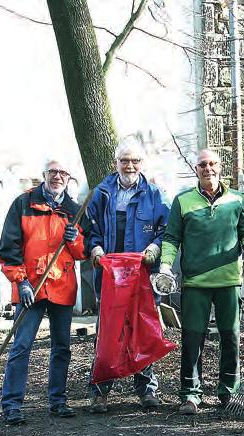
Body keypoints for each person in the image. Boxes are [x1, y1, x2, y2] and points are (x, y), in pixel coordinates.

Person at [157, 149, 244, 414]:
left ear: (220, 166)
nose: (208, 168)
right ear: (196, 169)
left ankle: (229, 391)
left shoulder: (237, 200)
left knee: (231, 337)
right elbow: (171, 238)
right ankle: (191, 394)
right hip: (195, 283)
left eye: (212, 163)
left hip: (228, 280)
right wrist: (166, 266)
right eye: (203, 165)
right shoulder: (183, 201)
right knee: (193, 339)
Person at [0, 159, 87, 425]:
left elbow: (82, 253)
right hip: (31, 288)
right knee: (21, 345)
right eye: (53, 172)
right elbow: (9, 248)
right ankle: (12, 405)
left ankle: (57, 401)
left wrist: (76, 239)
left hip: (62, 286)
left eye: (63, 172)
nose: (58, 176)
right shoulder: (23, 204)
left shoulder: (74, 210)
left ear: (68, 178)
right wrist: (20, 282)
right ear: (44, 175)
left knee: (62, 347)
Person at [85, 140, 170, 413]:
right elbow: (90, 229)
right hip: (110, 276)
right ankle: (100, 390)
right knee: (108, 332)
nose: (129, 166)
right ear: (115, 164)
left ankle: (147, 390)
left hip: (141, 274)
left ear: (141, 164)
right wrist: (96, 249)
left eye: (135, 161)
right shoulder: (101, 193)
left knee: (142, 330)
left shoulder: (154, 194)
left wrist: (154, 250)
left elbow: (165, 230)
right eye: (124, 161)